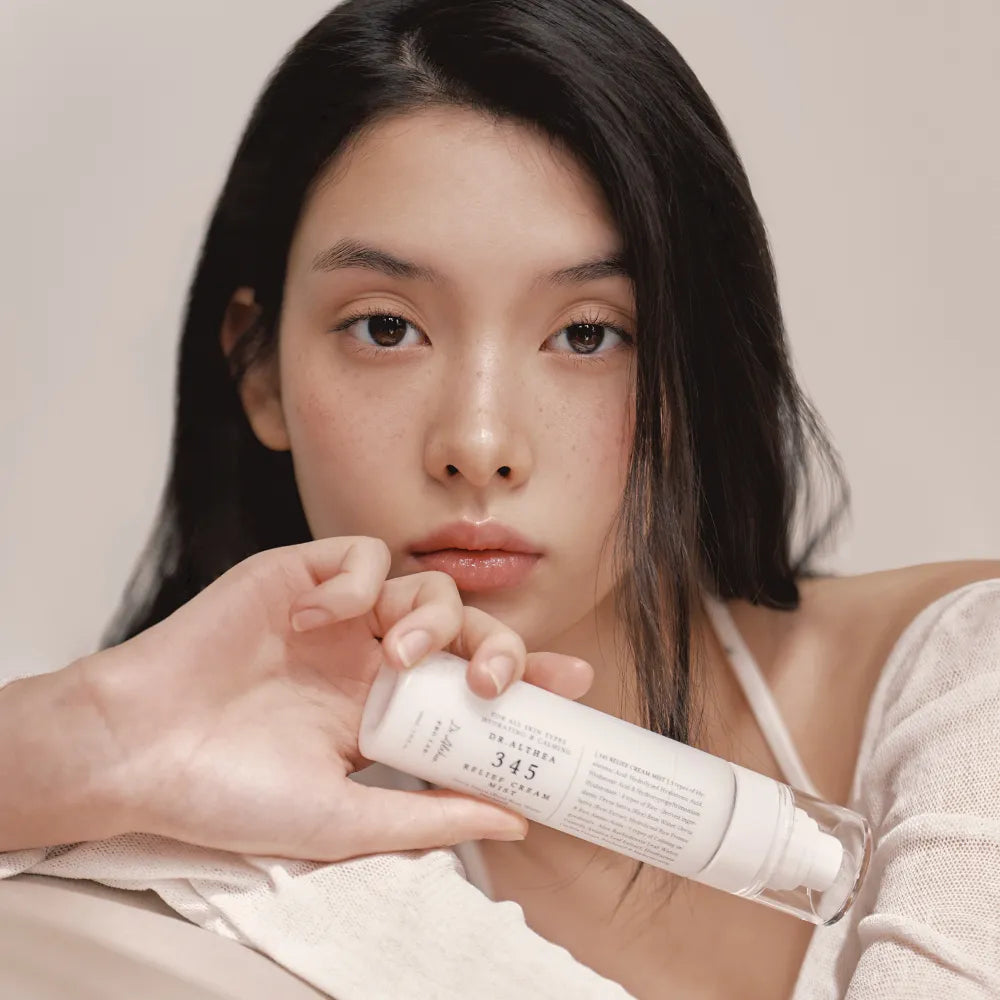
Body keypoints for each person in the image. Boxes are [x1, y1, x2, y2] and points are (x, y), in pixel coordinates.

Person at [1, 0, 998, 997]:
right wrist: (95, 730)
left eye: (586, 334)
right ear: (257, 370)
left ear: (695, 374)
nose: (478, 448)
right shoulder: (203, 835)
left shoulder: (967, 686)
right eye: (386, 328)